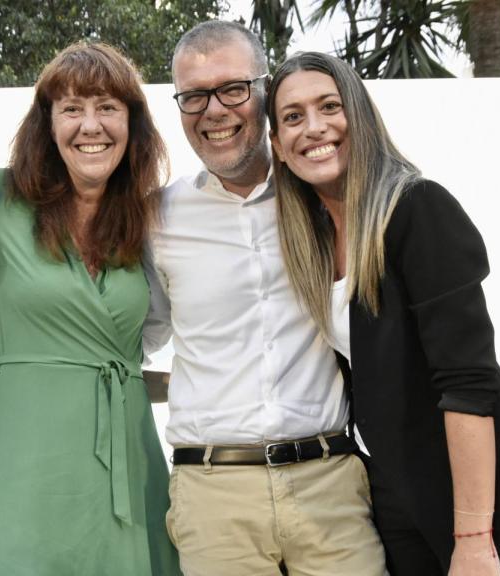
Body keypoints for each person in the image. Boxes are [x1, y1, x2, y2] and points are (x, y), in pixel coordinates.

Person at [267, 52, 500, 575]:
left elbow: (469, 382)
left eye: (329, 106)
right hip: (399, 492)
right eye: (292, 117)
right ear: (277, 146)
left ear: (360, 116)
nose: (314, 128)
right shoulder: (311, 238)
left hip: (481, 500)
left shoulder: (417, 208)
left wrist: (471, 537)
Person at [145, 21, 387, 575]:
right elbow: (140, 334)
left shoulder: (325, 196)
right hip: (213, 497)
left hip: (330, 485)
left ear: (264, 92)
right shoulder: (156, 219)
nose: (214, 110)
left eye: (233, 88)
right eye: (194, 96)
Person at [0, 42, 179, 575]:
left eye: (108, 108)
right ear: (47, 124)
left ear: (132, 124)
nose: (89, 126)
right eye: (71, 109)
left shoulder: (146, 218)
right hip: (25, 460)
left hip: (127, 452)